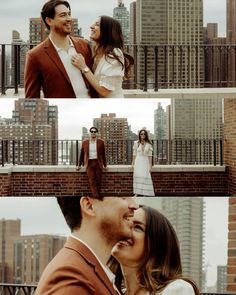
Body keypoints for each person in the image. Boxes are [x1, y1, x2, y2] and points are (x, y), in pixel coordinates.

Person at [35, 196, 139, 295]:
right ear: (89, 205)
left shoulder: (85, 268)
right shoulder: (71, 277)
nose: (135, 205)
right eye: (123, 196)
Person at [109, 205, 200, 295]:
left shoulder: (176, 290)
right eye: (124, 224)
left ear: (157, 244)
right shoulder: (110, 290)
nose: (124, 231)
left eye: (137, 227)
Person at [24, 0, 94, 98]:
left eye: (69, 14)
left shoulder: (84, 45)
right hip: (63, 112)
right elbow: (31, 99)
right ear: (49, 21)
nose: (69, 18)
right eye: (63, 15)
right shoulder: (35, 56)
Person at [71, 15, 134, 98]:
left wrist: (83, 67)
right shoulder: (97, 52)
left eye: (97, 24)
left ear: (107, 31)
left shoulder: (115, 53)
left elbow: (104, 91)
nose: (91, 26)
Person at [77, 127, 106, 197]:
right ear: (90, 133)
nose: (93, 133)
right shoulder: (85, 142)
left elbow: (103, 154)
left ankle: (97, 195)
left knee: (98, 181)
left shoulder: (101, 142)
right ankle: (96, 197)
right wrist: (79, 165)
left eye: (95, 131)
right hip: (89, 163)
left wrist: (105, 165)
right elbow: (81, 154)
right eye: (92, 131)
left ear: (97, 133)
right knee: (92, 181)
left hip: (98, 163)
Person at [131, 129, 155, 196]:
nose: (143, 135)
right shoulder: (136, 143)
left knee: (145, 177)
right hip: (138, 162)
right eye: (141, 134)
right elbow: (134, 154)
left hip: (145, 162)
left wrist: (150, 166)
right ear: (139, 135)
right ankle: (137, 193)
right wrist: (132, 164)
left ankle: (145, 193)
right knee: (137, 177)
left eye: (144, 134)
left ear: (146, 135)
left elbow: (150, 156)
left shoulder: (149, 144)